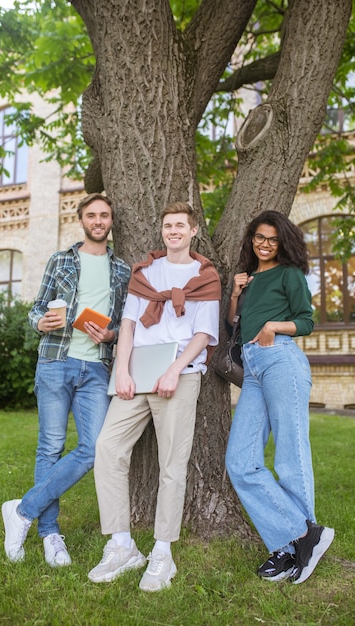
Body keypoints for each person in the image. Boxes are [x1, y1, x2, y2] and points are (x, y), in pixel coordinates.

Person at [88, 201, 221, 591]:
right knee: (107, 448)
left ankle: (163, 553)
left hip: (179, 375)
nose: (173, 231)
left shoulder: (205, 276)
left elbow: (203, 334)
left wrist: (174, 370)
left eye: (180, 225)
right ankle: (122, 544)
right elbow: (128, 325)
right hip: (137, 373)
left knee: (171, 466)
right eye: (168, 225)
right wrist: (122, 370)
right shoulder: (145, 272)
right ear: (161, 230)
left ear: (193, 230)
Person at [1, 193, 131, 567]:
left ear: (111, 221)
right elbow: (36, 308)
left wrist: (112, 335)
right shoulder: (61, 260)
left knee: (93, 448)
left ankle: (22, 511)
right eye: (92, 215)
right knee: (50, 447)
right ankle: (50, 534)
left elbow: (125, 320)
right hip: (56, 361)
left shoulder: (121, 269)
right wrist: (40, 322)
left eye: (104, 215)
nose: (98, 220)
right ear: (82, 220)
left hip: (96, 368)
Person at [225, 210, 334, 585]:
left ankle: (294, 549)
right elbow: (233, 324)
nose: (265, 244)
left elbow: (306, 320)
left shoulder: (289, 274)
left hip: (281, 359)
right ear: (251, 238)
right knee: (240, 461)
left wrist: (274, 326)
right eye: (259, 237)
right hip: (252, 369)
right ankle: (304, 536)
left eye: (272, 239)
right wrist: (236, 292)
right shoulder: (250, 278)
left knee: (290, 452)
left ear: (282, 241)